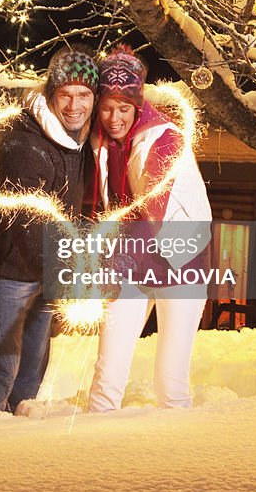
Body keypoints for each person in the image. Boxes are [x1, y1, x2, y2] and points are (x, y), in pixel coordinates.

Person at [0, 46, 98, 412]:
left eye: (84, 95)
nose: (75, 105)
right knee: (2, 365)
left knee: (33, 367)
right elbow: (27, 225)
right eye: (66, 95)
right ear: (51, 94)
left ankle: (19, 437)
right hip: (6, 272)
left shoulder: (76, 139)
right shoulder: (25, 144)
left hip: (47, 268)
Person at [87, 47, 212, 412]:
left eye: (123, 108)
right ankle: (89, 455)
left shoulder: (165, 139)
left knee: (170, 381)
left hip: (180, 262)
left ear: (137, 105)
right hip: (133, 260)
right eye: (106, 107)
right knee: (107, 371)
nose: (113, 117)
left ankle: (174, 462)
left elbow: (152, 212)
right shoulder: (103, 142)